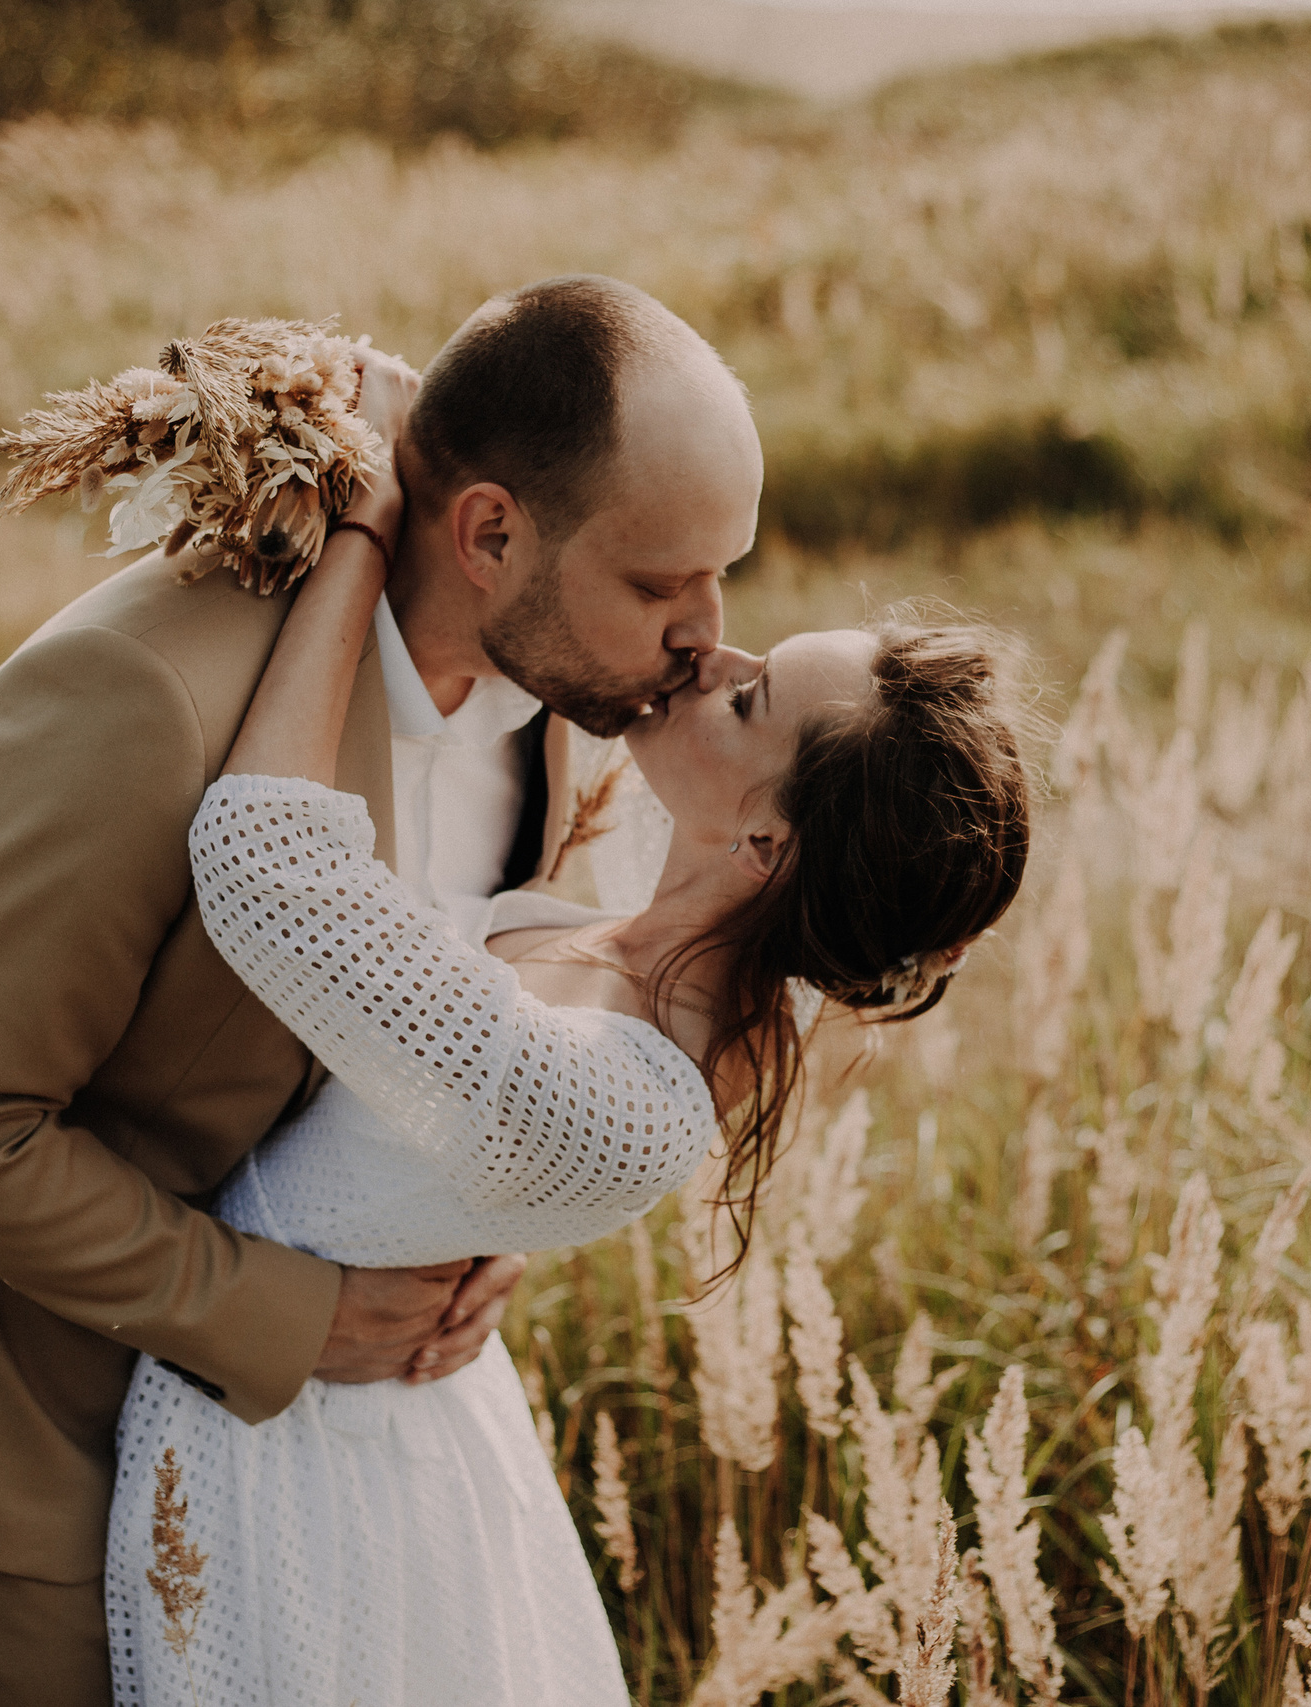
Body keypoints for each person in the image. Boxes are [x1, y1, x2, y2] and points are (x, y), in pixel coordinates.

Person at [0, 275, 766, 1704]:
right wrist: (289, 1316)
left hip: (282, 1475)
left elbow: (408, 1032)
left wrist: (470, 1216)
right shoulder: (138, 693)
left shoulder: (558, 712)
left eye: (726, 575)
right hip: (12, 1451)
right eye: (661, 584)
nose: (707, 633)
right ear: (489, 532)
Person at [100, 366, 1034, 1701]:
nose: (714, 653)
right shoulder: (663, 919)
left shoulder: (621, 1092)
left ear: (768, 842)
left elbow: (265, 864)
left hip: (314, 1499)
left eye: (755, 698)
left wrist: (368, 528)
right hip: (348, 1422)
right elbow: (561, 624)